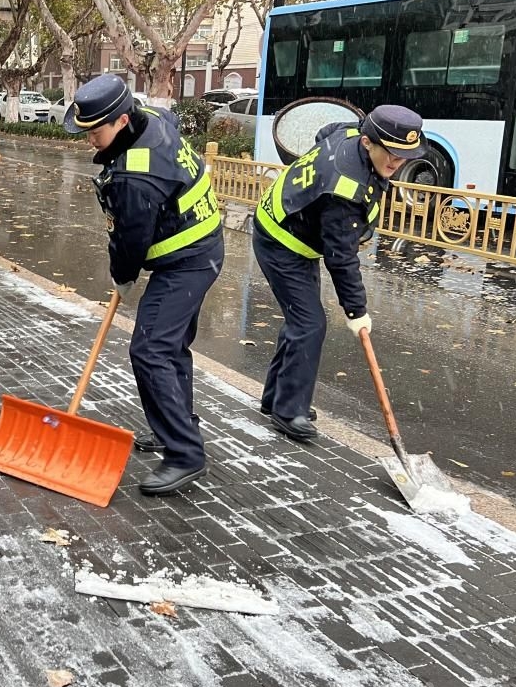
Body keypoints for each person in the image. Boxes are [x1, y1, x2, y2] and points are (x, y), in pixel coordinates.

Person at [64, 75, 225, 495]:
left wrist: (123, 277)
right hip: (199, 246)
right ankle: (174, 423)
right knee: (169, 347)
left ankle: (185, 454)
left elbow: (131, 240)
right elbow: (169, 117)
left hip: (189, 260)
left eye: (94, 132)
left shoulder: (136, 175)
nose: (89, 141)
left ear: (120, 121)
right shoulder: (149, 116)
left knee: (150, 349)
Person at [252, 104, 423, 442]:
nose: (395, 162)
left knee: (301, 320)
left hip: (293, 226)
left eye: (403, 156)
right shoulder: (344, 190)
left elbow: (323, 133)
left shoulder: (349, 131)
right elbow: (341, 257)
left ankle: (278, 399)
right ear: (367, 142)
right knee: (309, 323)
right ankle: (289, 412)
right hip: (281, 240)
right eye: (389, 153)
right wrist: (356, 310)